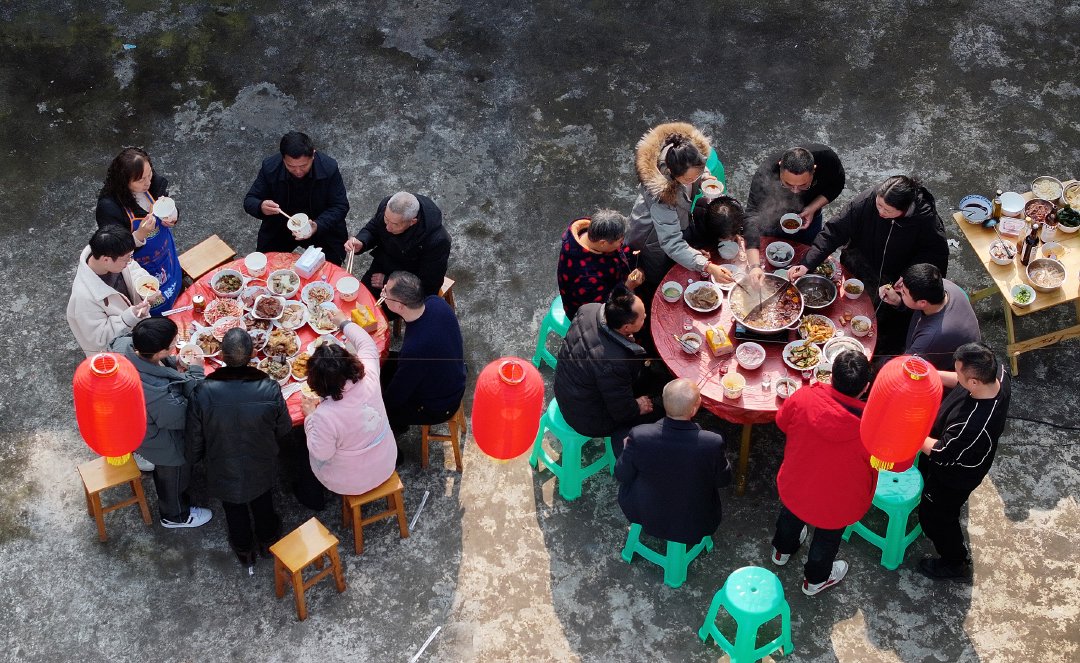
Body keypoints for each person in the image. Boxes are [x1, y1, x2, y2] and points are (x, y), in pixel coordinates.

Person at [786, 175, 948, 354]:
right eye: (879, 205)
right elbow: (835, 230)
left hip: (894, 280)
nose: (880, 212)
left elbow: (934, 258)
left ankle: (879, 352)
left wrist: (909, 277)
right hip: (858, 264)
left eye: (887, 210)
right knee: (848, 308)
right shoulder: (869, 200)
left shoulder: (926, 221)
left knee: (886, 323)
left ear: (904, 209)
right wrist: (807, 263)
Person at [770, 350, 876, 596]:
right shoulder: (871, 428)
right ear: (866, 387)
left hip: (798, 483)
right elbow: (888, 463)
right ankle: (814, 580)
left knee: (791, 516)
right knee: (827, 539)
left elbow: (781, 422)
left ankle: (781, 551)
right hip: (838, 501)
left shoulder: (804, 397)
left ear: (830, 377)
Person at [186, 328, 292, 567]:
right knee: (263, 501)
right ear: (253, 354)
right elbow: (283, 429)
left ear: (222, 356)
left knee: (233, 508)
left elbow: (194, 437)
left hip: (221, 465)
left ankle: (244, 550)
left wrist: (196, 461)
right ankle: (268, 540)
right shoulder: (270, 388)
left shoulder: (202, 392)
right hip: (261, 462)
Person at [918, 343, 1011, 581]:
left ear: (974, 383)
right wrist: (931, 374)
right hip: (956, 448)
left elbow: (940, 452)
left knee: (935, 518)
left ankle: (955, 563)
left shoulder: (973, 425)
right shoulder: (997, 372)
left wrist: (908, 432)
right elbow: (959, 380)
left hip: (954, 475)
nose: (956, 375)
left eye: (959, 372)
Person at [109, 318, 212, 528]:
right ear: (159, 352)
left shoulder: (124, 345)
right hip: (158, 438)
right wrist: (196, 373)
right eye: (173, 345)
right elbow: (184, 415)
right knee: (174, 472)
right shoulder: (157, 392)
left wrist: (175, 365)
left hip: (129, 419)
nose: (175, 346)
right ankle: (174, 515)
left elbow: (159, 366)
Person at [615, 379, 732, 545]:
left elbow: (621, 474)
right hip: (695, 522)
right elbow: (724, 480)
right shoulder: (711, 443)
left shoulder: (640, 436)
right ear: (694, 408)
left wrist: (627, 451)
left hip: (643, 513)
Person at [626, 122, 733, 295]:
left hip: (676, 222)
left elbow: (698, 167)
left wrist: (705, 177)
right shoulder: (661, 195)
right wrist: (707, 266)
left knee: (681, 258)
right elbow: (671, 242)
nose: (693, 180)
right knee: (658, 275)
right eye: (688, 179)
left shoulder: (686, 155)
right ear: (671, 172)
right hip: (652, 236)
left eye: (697, 174)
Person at [300, 309, 397, 496]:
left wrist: (310, 417)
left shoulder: (324, 416)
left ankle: (311, 496)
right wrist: (343, 323)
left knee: (303, 450)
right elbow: (366, 343)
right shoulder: (369, 374)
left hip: (352, 482)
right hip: (385, 460)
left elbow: (322, 453)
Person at [553, 284, 660, 452]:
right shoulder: (614, 363)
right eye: (643, 317)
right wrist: (636, 406)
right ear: (627, 328)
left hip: (569, 387)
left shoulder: (589, 309)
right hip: (586, 417)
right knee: (660, 410)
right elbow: (622, 412)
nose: (646, 316)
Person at [95, 147, 183, 313]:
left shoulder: (152, 183)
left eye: (149, 174)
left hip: (166, 257)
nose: (148, 182)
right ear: (124, 181)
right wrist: (140, 234)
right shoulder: (109, 208)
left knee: (176, 289)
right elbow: (114, 249)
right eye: (141, 180)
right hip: (142, 267)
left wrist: (172, 215)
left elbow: (171, 208)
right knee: (156, 305)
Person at [379, 271, 467, 436]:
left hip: (439, 404)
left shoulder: (415, 349)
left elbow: (396, 396)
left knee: (381, 413)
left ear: (399, 306)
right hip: (452, 372)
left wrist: (377, 405)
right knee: (384, 360)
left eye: (386, 293)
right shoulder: (436, 303)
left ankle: (394, 438)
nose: (383, 293)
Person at [243, 131, 350, 265]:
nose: (298, 171)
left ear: (313, 155)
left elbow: (340, 206)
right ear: (283, 160)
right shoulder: (270, 167)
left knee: (329, 268)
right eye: (291, 166)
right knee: (268, 264)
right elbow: (250, 200)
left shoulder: (329, 168)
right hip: (281, 226)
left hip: (319, 225)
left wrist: (317, 225)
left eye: (303, 166)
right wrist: (261, 206)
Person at [744, 144, 846, 263]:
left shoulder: (827, 159)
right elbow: (752, 214)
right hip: (772, 219)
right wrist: (755, 267)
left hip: (810, 218)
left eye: (803, 185)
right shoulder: (765, 172)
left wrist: (813, 207)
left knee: (806, 256)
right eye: (788, 184)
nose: (795, 190)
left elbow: (837, 184)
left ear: (814, 169)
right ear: (780, 166)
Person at [343, 191, 451, 298]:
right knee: (359, 298)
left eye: (395, 224)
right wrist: (361, 241)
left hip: (408, 283)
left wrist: (390, 282)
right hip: (383, 264)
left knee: (379, 314)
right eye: (386, 219)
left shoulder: (438, 241)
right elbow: (374, 228)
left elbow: (429, 284)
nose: (387, 228)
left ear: (412, 222)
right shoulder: (388, 207)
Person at [67, 226, 152, 357]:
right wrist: (130, 317)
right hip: (119, 353)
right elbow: (99, 339)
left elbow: (133, 269)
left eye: (131, 256)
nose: (129, 261)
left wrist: (145, 286)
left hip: (138, 332)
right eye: (126, 259)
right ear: (106, 259)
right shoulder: (83, 298)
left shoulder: (114, 254)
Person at [877, 263, 981, 370]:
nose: (899, 291)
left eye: (903, 293)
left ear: (922, 303)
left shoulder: (930, 336)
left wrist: (877, 363)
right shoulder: (942, 285)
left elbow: (903, 367)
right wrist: (898, 301)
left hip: (951, 372)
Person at [557, 209, 643, 321]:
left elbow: (622, 251)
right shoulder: (584, 275)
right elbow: (604, 307)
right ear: (603, 243)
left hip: (613, 282)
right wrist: (628, 286)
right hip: (590, 315)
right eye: (619, 241)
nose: (621, 245)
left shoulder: (594, 232)